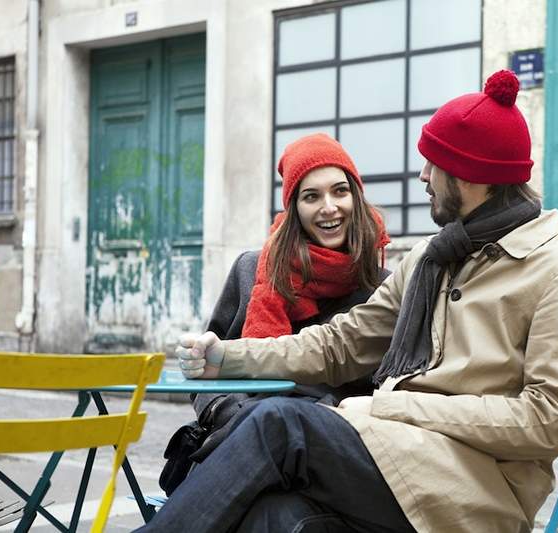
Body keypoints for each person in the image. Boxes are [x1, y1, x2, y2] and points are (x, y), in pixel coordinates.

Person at [140, 70, 558, 533]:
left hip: (480, 490)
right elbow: (342, 343)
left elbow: (548, 420)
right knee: (274, 516)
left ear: (472, 175)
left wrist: (386, 406)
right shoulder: (432, 258)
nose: (423, 175)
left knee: (281, 424)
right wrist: (230, 357)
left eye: (434, 164)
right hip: (400, 460)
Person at [158, 133, 390, 494]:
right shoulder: (252, 271)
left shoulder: (383, 289)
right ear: (294, 208)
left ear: (356, 198)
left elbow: (387, 388)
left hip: (326, 462)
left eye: (339, 191)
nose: (329, 207)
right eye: (311, 196)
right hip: (238, 445)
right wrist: (242, 420)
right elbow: (205, 381)